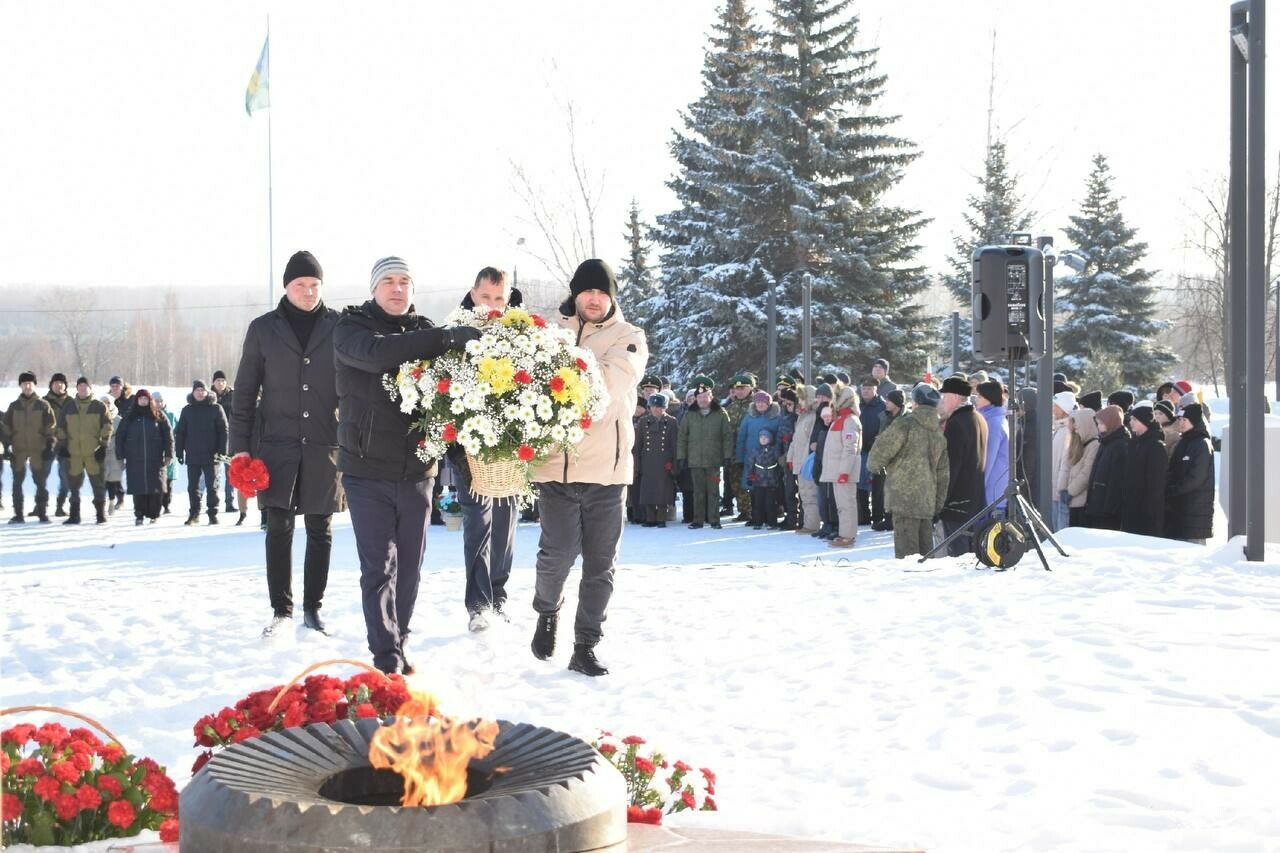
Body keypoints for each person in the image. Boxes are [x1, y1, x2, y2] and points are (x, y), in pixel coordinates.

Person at [335, 255, 480, 673]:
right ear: (374, 288)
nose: (397, 289)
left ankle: (400, 639)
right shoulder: (352, 329)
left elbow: (449, 402)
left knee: (411, 567)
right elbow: (379, 355)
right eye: (388, 282)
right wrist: (445, 339)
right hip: (366, 470)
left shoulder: (423, 331)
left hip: (418, 472)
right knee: (378, 566)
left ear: (412, 291)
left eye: (404, 282)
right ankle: (386, 657)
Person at [529, 259, 648, 677]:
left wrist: (555, 368)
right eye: (587, 292)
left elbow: (606, 387)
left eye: (602, 292)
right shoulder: (546, 332)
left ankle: (585, 645)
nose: (594, 299)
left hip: (607, 473)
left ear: (611, 296)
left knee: (600, 565)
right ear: (575, 294)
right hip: (555, 469)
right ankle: (547, 611)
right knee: (556, 557)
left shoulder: (629, 337)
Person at [233, 250, 345, 637]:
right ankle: (281, 609)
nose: (309, 292)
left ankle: (314, 608)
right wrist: (240, 447)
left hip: (323, 445)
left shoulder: (339, 325)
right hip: (276, 447)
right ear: (287, 287)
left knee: (320, 527)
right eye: (301, 285)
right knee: (278, 525)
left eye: (315, 285)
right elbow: (244, 392)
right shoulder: (263, 329)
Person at [446, 266, 523, 632]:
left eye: (499, 299)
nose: (491, 306)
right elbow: (440, 396)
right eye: (485, 297)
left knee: (506, 523)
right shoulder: (453, 332)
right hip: (469, 451)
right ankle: (478, 604)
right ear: (473, 293)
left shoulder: (523, 336)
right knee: (478, 522)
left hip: (510, 451)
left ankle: (498, 594)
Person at [866, 383, 949, 559]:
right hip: (927, 500)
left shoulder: (904, 425)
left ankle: (909, 583)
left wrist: (874, 466)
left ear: (916, 403)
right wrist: (937, 504)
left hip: (902, 498)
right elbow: (943, 475)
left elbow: (878, 453)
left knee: (906, 556)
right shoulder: (938, 434)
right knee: (926, 552)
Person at [937, 375, 988, 557]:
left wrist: (941, 501)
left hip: (958, 502)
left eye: (945, 396)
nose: (942, 401)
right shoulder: (977, 417)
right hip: (975, 498)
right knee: (972, 552)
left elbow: (951, 467)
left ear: (955, 397)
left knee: (958, 555)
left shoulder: (957, 423)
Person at [677, 376, 733, 531]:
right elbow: (682, 437)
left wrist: (728, 456)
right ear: (696, 398)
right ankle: (698, 520)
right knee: (698, 492)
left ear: (711, 397)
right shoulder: (690, 414)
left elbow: (727, 436)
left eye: (705, 396)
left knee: (713, 491)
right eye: (699, 397)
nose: (702, 400)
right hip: (695, 460)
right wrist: (681, 456)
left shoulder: (721, 413)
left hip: (713, 460)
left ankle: (714, 520)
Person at [55, 377, 113, 525]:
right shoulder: (68, 407)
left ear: (90, 388)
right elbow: (61, 428)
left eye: (85, 386)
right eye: (80, 386)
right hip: (73, 454)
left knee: (98, 484)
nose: (82, 388)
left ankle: (101, 514)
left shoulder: (99, 406)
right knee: (73, 485)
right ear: (76, 388)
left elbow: (107, 426)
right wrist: (62, 446)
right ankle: (74, 515)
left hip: (93, 453)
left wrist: (103, 445)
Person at [2, 370, 57, 523]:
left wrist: (49, 444)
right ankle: (18, 514)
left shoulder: (43, 405)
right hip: (18, 449)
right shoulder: (14, 406)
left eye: (30, 383)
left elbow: (51, 425)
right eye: (24, 383)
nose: (27, 386)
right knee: (17, 481)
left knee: (40, 481)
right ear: (20, 386)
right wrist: (7, 446)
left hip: (38, 449)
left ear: (34, 385)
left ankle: (42, 513)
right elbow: (6, 426)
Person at [114, 390, 173, 525]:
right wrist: (120, 456)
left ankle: (154, 514)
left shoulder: (159, 415)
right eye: (140, 399)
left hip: (155, 459)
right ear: (136, 401)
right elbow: (120, 437)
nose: (143, 401)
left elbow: (168, 437)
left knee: (155, 488)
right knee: (138, 489)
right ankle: (139, 514)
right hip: (135, 460)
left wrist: (169, 454)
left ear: (149, 400)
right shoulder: (129, 417)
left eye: (145, 399)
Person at [176, 380, 228, 525]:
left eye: (202, 390)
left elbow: (224, 431)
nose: (200, 393)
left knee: (212, 486)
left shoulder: (216, 408)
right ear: (193, 392)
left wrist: (222, 450)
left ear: (207, 392)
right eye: (197, 390)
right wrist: (179, 451)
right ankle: (194, 514)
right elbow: (180, 432)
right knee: (193, 487)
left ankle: (212, 513)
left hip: (212, 455)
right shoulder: (187, 410)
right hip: (193, 454)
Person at [1165, 403, 1214, 544]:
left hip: (1196, 512)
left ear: (1194, 421)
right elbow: (1172, 470)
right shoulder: (1183, 442)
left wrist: (1174, 490)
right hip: (1180, 509)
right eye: (1179, 420)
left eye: (1184, 420)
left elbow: (1197, 478)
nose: (1180, 423)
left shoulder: (1202, 444)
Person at [735, 391, 782, 524]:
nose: (760, 404)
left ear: (769, 403)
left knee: (770, 489)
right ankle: (756, 517)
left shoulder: (776, 418)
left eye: (763, 402)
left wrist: (779, 456)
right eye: (758, 402)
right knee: (754, 489)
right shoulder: (749, 418)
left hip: (770, 460)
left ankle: (771, 515)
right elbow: (741, 437)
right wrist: (739, 457)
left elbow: (779, 437)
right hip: (752, 460)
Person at [823, 388, 862, 548]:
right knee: (842, 505)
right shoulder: (840, 419)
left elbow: (850, 447)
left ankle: (848, 536)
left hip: (843, 471)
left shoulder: (850, 420)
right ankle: (844, 532)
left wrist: (844, 471)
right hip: (837, 471)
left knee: (847, 504)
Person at [633, 393, 678, 529]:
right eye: (653, 406)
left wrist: (674, 463)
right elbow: (638, 445)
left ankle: (662, 518)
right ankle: (650, 518)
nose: (656, 409)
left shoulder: (671, 421)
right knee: (648, 490)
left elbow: (675, 444)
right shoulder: (643, 421)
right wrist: (637, 464)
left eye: (659, 407)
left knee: (663, 491)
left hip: (664, 461)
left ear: (665, 408)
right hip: (647, 460)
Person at [1120, 406, 1166, 537]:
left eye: (1135, 419)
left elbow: (1156, 483)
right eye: (1131, 419)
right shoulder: (1134, 442)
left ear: (1145, 421)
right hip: (1131, 505)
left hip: (1146, 509)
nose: (1131, 422)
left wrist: (1149, 510)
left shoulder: (1155, 446)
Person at [1085, 404, 1128, 529]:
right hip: (1098, 504)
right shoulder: (1106, 442)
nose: (1098, 427)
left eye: (1101, 423)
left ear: (1111, 422)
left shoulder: (1120, 445)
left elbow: (1117, 480)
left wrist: (1110, 509)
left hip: (1107, 510)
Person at [211, 369, 246, 521]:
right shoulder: (209, 397)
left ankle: (229, 502)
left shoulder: (232, 396)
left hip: (230, 439)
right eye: (218, 380)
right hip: (213, 440)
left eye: (223, 381)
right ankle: (209, 503)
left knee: (230, 472)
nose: (221, 383)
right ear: (213, 382)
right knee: (211, 474)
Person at [975, 380, 1009, 513]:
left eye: (979, 396)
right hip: (995, 491)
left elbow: (987, 459)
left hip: (990, 494)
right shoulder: (995, 418)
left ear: (989, 399)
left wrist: (978, 489)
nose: (976, 399)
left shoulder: (993, 423)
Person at [1063, 408, 1100, 527]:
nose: (1076, 429)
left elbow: (1086, 473)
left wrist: (1070, 491)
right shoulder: (1083, 444)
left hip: (1082, 501)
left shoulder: (1094, 445)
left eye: (1078, 426)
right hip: (1075, 500)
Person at [856, 378, 886, 527]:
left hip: (877, 451)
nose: (865, 391)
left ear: (875, 390)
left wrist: (875, 442)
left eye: (869, 388)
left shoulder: (882, 406)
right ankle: (863, 516)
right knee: (860, 485)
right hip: (859, 450)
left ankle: (878, 516)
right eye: (863, 388)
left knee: (877, 486)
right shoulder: (858, 406)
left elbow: (885, 428)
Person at [44, 372, 71, 517]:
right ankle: (41, 504)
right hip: (48, 443)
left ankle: (60, 506)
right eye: (56, 383)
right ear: (51, 385)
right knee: (41, 475)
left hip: (66, 444)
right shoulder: (43, 402)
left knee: (65, 476)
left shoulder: (72, 402)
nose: (59, 385)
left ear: (65, 385)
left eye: (61, 382)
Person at [1050, 390, 1076, 531]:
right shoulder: (1059, 428)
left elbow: (1065, 462)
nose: (1053, 408)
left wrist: (1060, 487)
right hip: (1054, 487)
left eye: (1056, 406)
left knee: (1061, 528)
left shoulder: (1068, 431)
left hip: (1060, 489)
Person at [99, 396, 125, 513]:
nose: (106, 405)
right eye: (103, 402)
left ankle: (112, 500)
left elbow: (123, 436)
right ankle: (102, 502)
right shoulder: (97, 417)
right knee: (102, 478)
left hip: (115, 452)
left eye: (108, 402)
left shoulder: (118, 419)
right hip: (102, 450)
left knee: (113, 479)